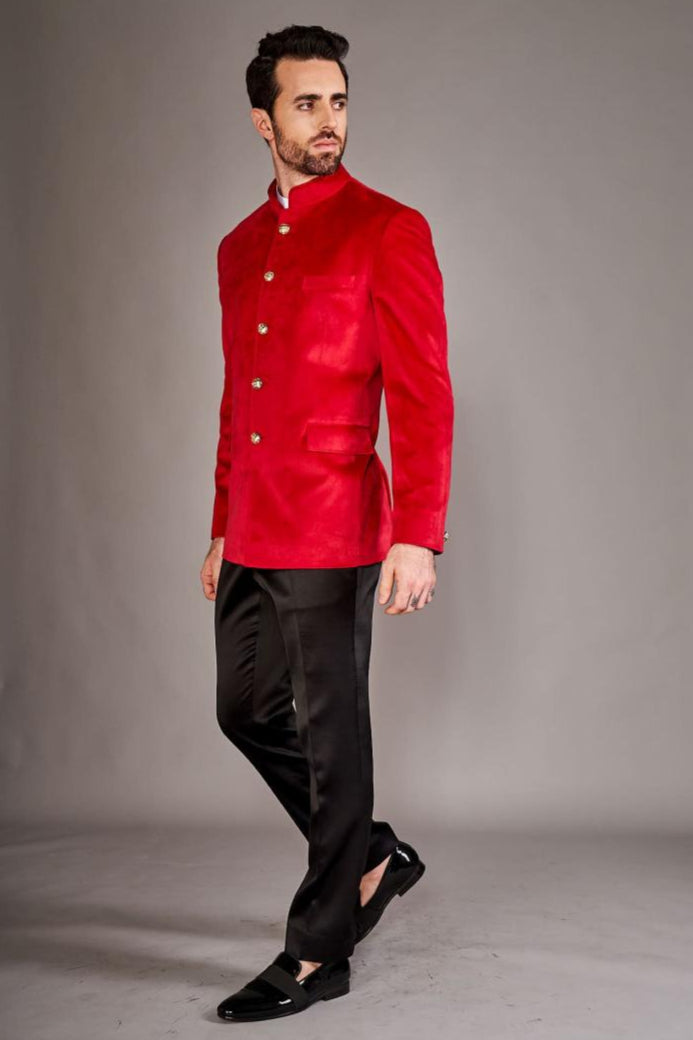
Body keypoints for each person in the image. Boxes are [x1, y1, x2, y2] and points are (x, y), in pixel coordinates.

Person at [199, 23, 454, 1023]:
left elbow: (423, 392)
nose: (328, 121)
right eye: (306, 104)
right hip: (253, 528)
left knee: (332, 735)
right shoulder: (238, 248)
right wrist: (220, 521)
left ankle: (318, 953)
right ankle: (371, 853)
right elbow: (239, 398)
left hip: (338, 522)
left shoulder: (389, 228)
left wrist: (416, 531)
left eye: (337, 101)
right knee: (243, 709)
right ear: (263, 121)